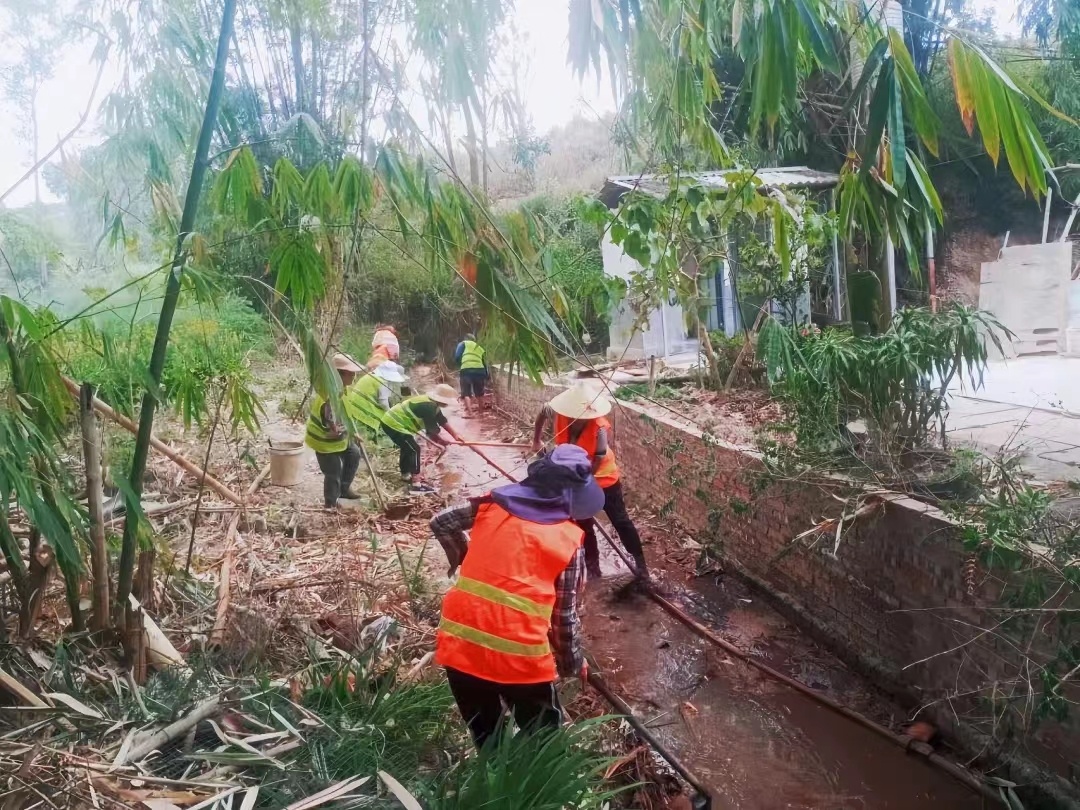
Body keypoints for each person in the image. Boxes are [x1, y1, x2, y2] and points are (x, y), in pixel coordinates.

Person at [430, 444, 602, 749]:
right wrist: (572, 664)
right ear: (573, 496)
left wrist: (465, 557)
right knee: (543, 744)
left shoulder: (490, 506)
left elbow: (441, 522)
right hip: (520, 660)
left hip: (461, 645)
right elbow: (563, 617)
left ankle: (496, 787)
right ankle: (536, 793)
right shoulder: (567, 539)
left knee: (487, 739)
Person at [531, 382, 649, 581]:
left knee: (620, 521)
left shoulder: (599, 428)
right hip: (574, 476)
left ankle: (641, 566)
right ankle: (593, 567)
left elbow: (599, 456)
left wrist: (585, 481)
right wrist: (536, 439)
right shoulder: (559, 413)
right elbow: (543, 411)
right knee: (584, 523)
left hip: (604, 479)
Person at [305, 353, 364, 508]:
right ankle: (330, 504)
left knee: (354, 453)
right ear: (340, 375)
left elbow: (346, 413)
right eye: (351, 373)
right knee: (333, 473)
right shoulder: (329, 398)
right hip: (325, 441)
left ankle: (344, 489)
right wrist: (345, 431)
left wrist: (352, 431)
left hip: (340, 438)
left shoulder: (343, 389)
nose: (354, 376)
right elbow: (334, 429)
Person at [381, 384, 457, 491]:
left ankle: (405, 475)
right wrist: (442, 441)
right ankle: (416, 484)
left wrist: (456, 436)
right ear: (443, 400)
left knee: (407, 447)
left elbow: (442, 420)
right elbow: (431, 431)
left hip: (393, 422)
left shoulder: (433, 405)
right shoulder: (428, 407)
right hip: (394, 424)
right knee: (414, 449)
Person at [344, 361, 407, 441]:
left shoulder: (371, 376)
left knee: (358, 432)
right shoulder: (383, 382)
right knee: (367, 436)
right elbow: (383, 403)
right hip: (365, 412)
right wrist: (391, 414)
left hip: (354, 407)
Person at [454, 333, 488, 418]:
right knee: (480, 393)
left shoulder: (463, 344)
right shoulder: (479, 347)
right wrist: (486, 374)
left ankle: (470, 414)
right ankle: (481, 413)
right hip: (480, 371)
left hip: (466, 370)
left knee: (466, 392)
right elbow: (484, 363)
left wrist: (461, 364)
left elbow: (457, 356)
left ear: (465, 338)